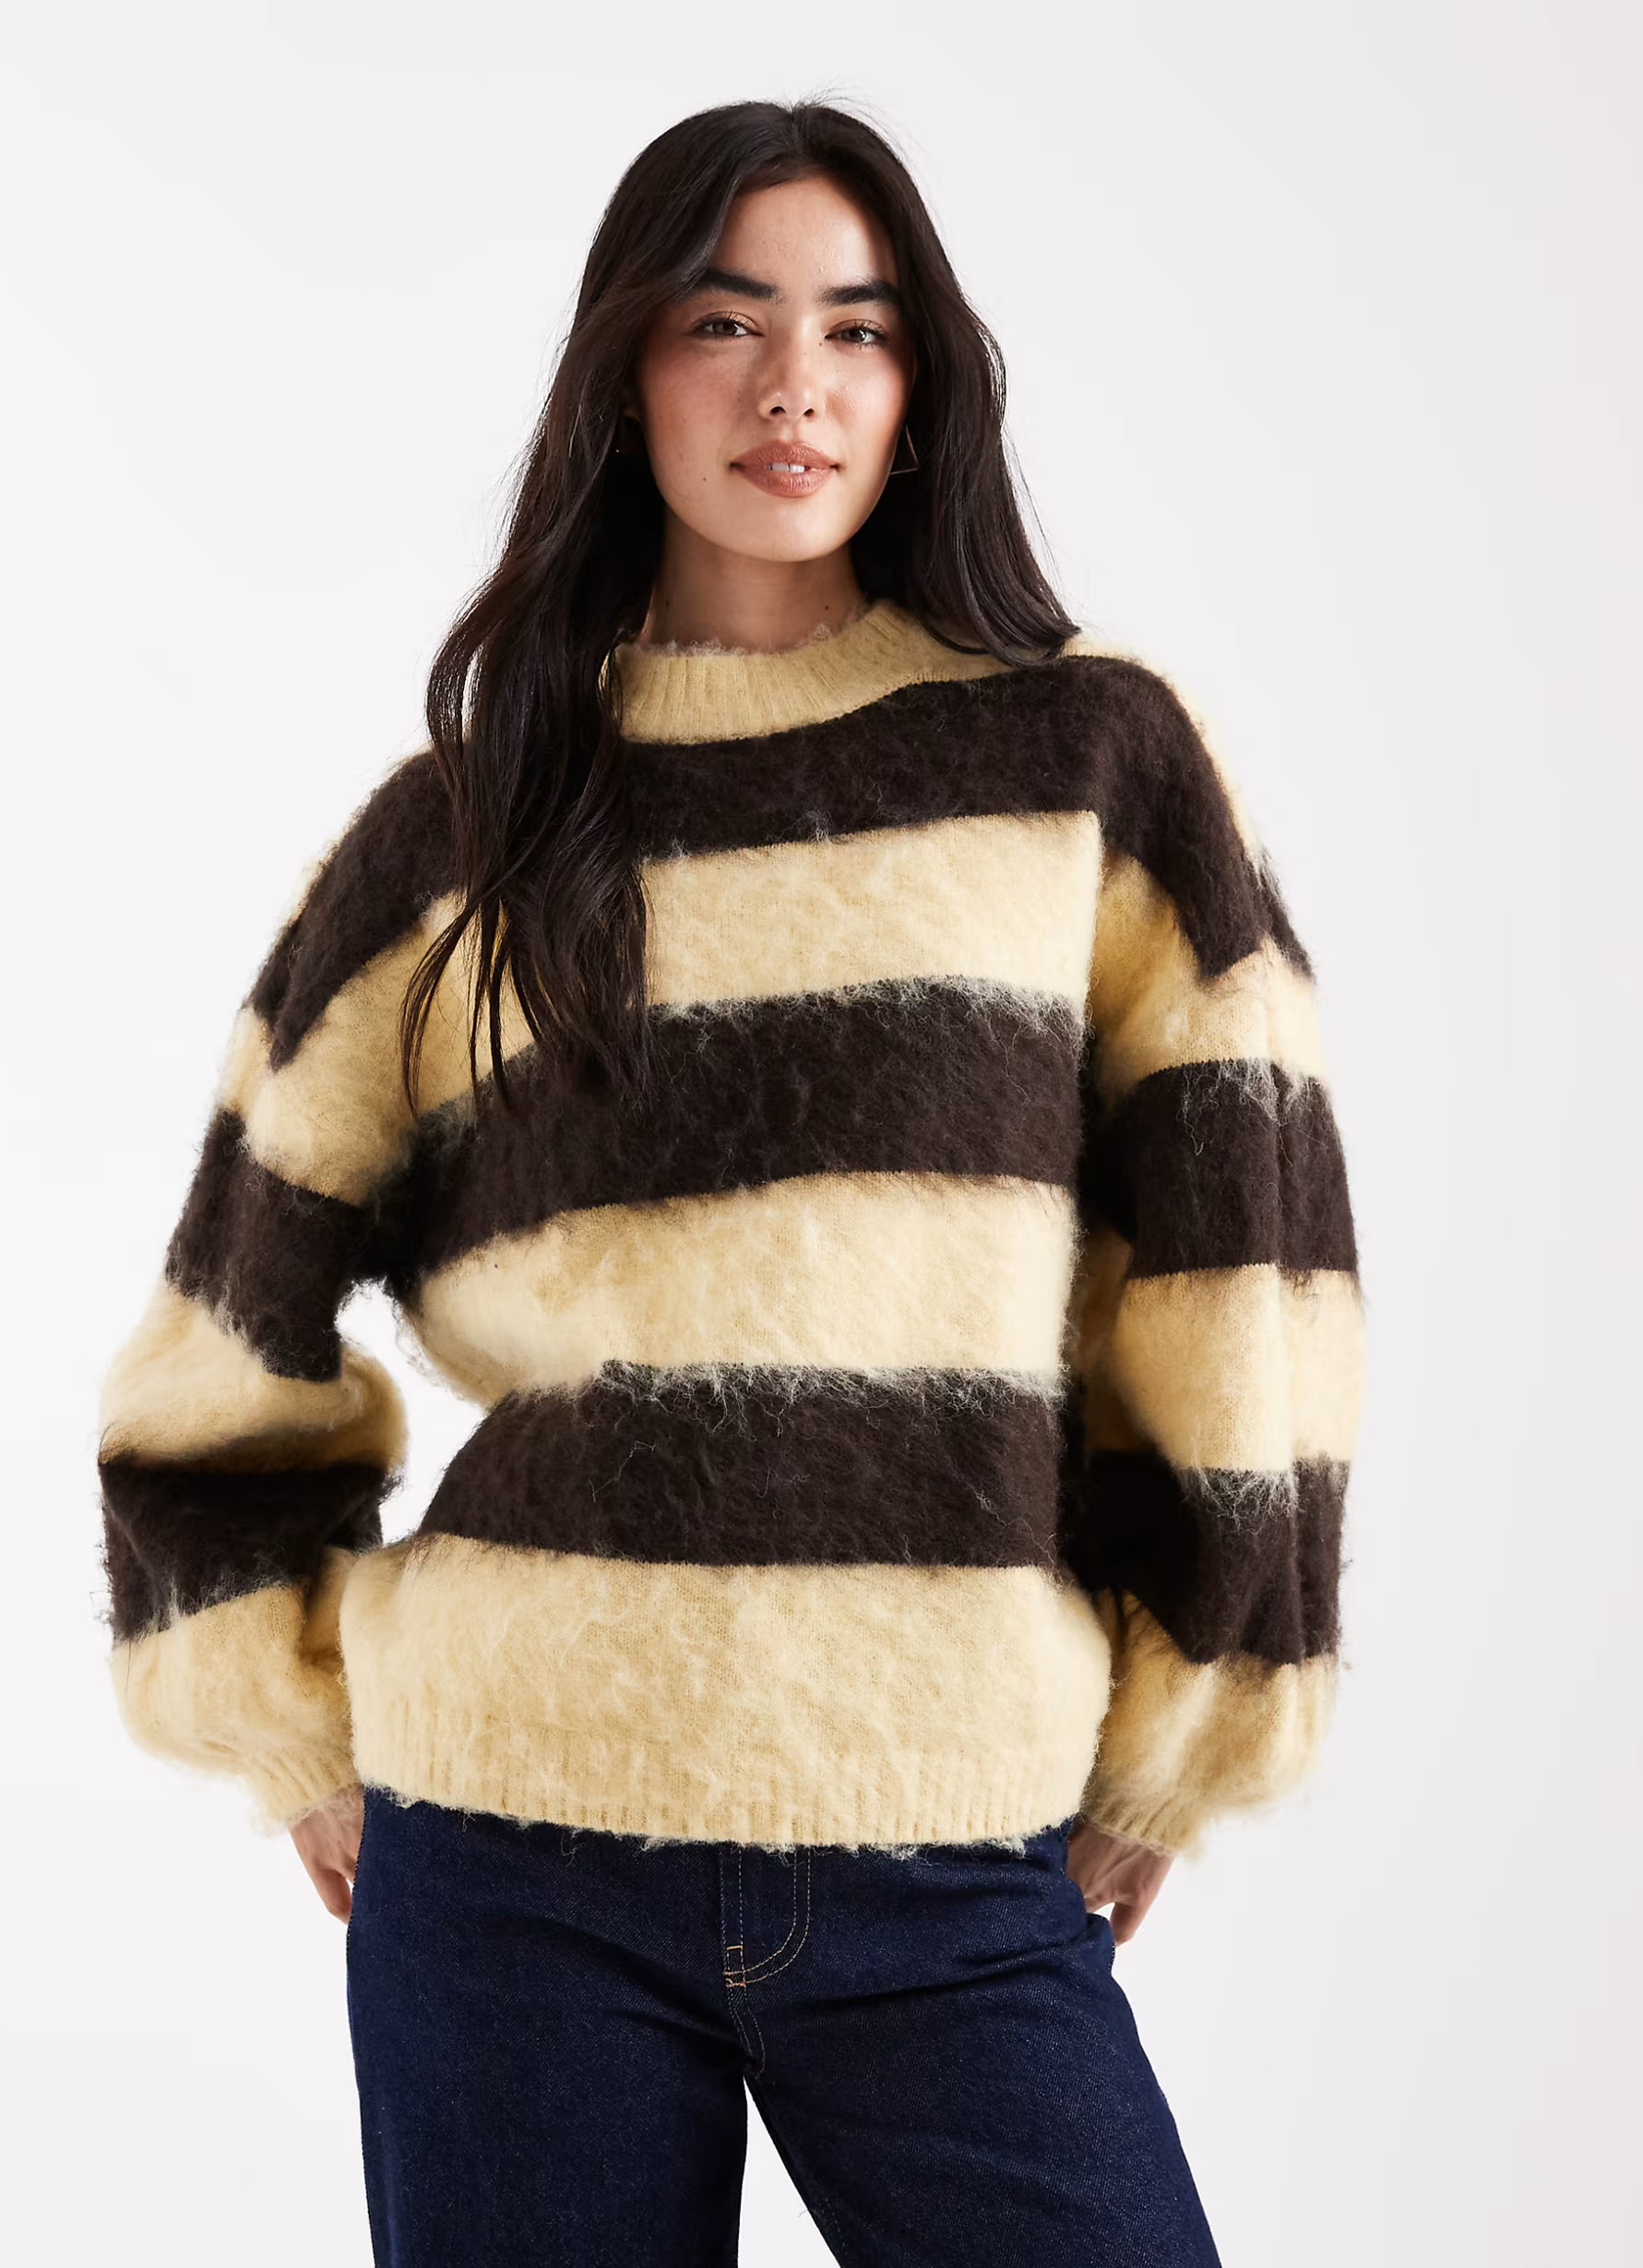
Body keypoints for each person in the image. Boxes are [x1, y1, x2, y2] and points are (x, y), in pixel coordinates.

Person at [97, 98, 1363, 2268]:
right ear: (626, 371)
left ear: (921, 386)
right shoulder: (466, 829)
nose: (795, 383)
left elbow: (1249, 1272)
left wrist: (1192, 1720)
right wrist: (288, 1724)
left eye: (857, 329)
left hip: (949, 1838)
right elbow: (225, 1326)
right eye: (727, 320)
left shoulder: (1083, 763)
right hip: (509, 1849)